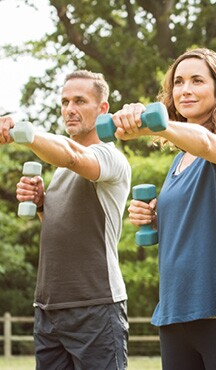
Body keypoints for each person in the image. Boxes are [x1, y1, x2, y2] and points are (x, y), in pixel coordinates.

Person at [111, 48, 216, 370]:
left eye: (197, 81)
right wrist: (155, 216)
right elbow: (197, 220)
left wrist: (156, 125)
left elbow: (207, 143)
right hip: (176, 313)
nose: (185, 89)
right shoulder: (179, 160)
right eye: (178, 82)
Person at [0, 70, 131, 369]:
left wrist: (26, 132)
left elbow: (73, 156)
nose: (69, 109)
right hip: (48, 309)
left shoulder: (110, 158)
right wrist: (42, 204)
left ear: (102, 109)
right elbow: (64, 226)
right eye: (65, 102)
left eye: (80, 101)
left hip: (95, 306)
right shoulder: (59, 169)